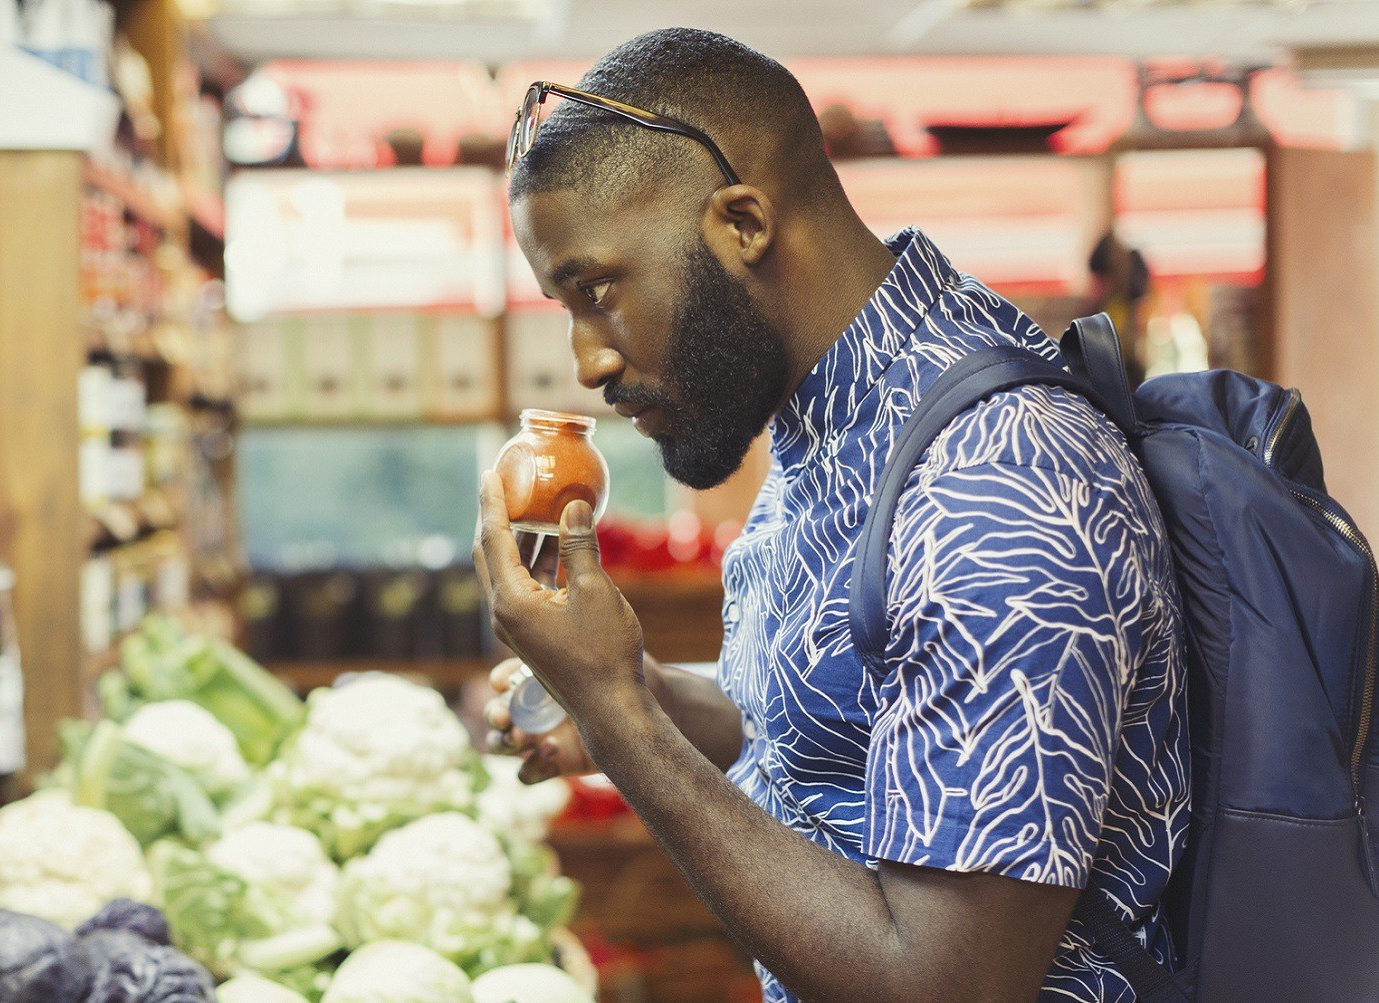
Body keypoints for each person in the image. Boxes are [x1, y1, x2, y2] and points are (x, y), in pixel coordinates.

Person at [481, 28, 1188, 1003]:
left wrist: (616, 716)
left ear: (742, 224)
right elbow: (821, 730)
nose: (588, 362)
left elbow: (949, 985)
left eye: (597, 290)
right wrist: (634, 685)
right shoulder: (848, 415)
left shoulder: (992, 486)